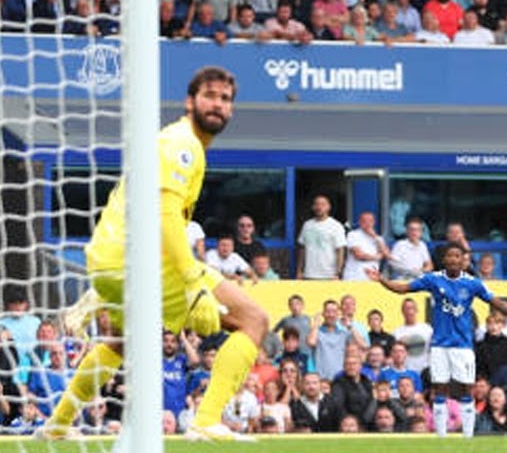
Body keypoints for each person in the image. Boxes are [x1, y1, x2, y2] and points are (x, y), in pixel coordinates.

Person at [43, 67, 269, 442]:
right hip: (139, 261)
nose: (218, 104)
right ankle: (207, 419)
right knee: (254, 320)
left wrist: (104, 283)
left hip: (109, 260)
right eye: (210, 95)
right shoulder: (183, 144)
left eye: (225, 99)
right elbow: (164, 217)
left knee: (120, 342)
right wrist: (195, 282)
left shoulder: (171, 141)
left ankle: (58, 424)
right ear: (189, 101)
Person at [367, 242, 507, 437]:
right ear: (444, 259)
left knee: (466, 389)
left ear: (463, 260)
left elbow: (497, 302)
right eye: (450, 256)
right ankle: (442, 437)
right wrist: (382, 280)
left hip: (463, 346)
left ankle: (468, 437)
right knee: (440, 389)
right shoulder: (433, 279)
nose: (454, 259)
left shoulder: (472, 283)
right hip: (439, 345)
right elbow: (404, 288)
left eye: (458, 256)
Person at [297, 194, 347, 279]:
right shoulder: (307, 225)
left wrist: (338, 273)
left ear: (329, 207)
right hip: (309, 274)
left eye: (323, 204)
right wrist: (299, 270)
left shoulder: (336, 226)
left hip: (329, 275)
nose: (319, 207)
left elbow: (340, 251)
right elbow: (302, 249)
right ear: (313, 207)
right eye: (316, 204)